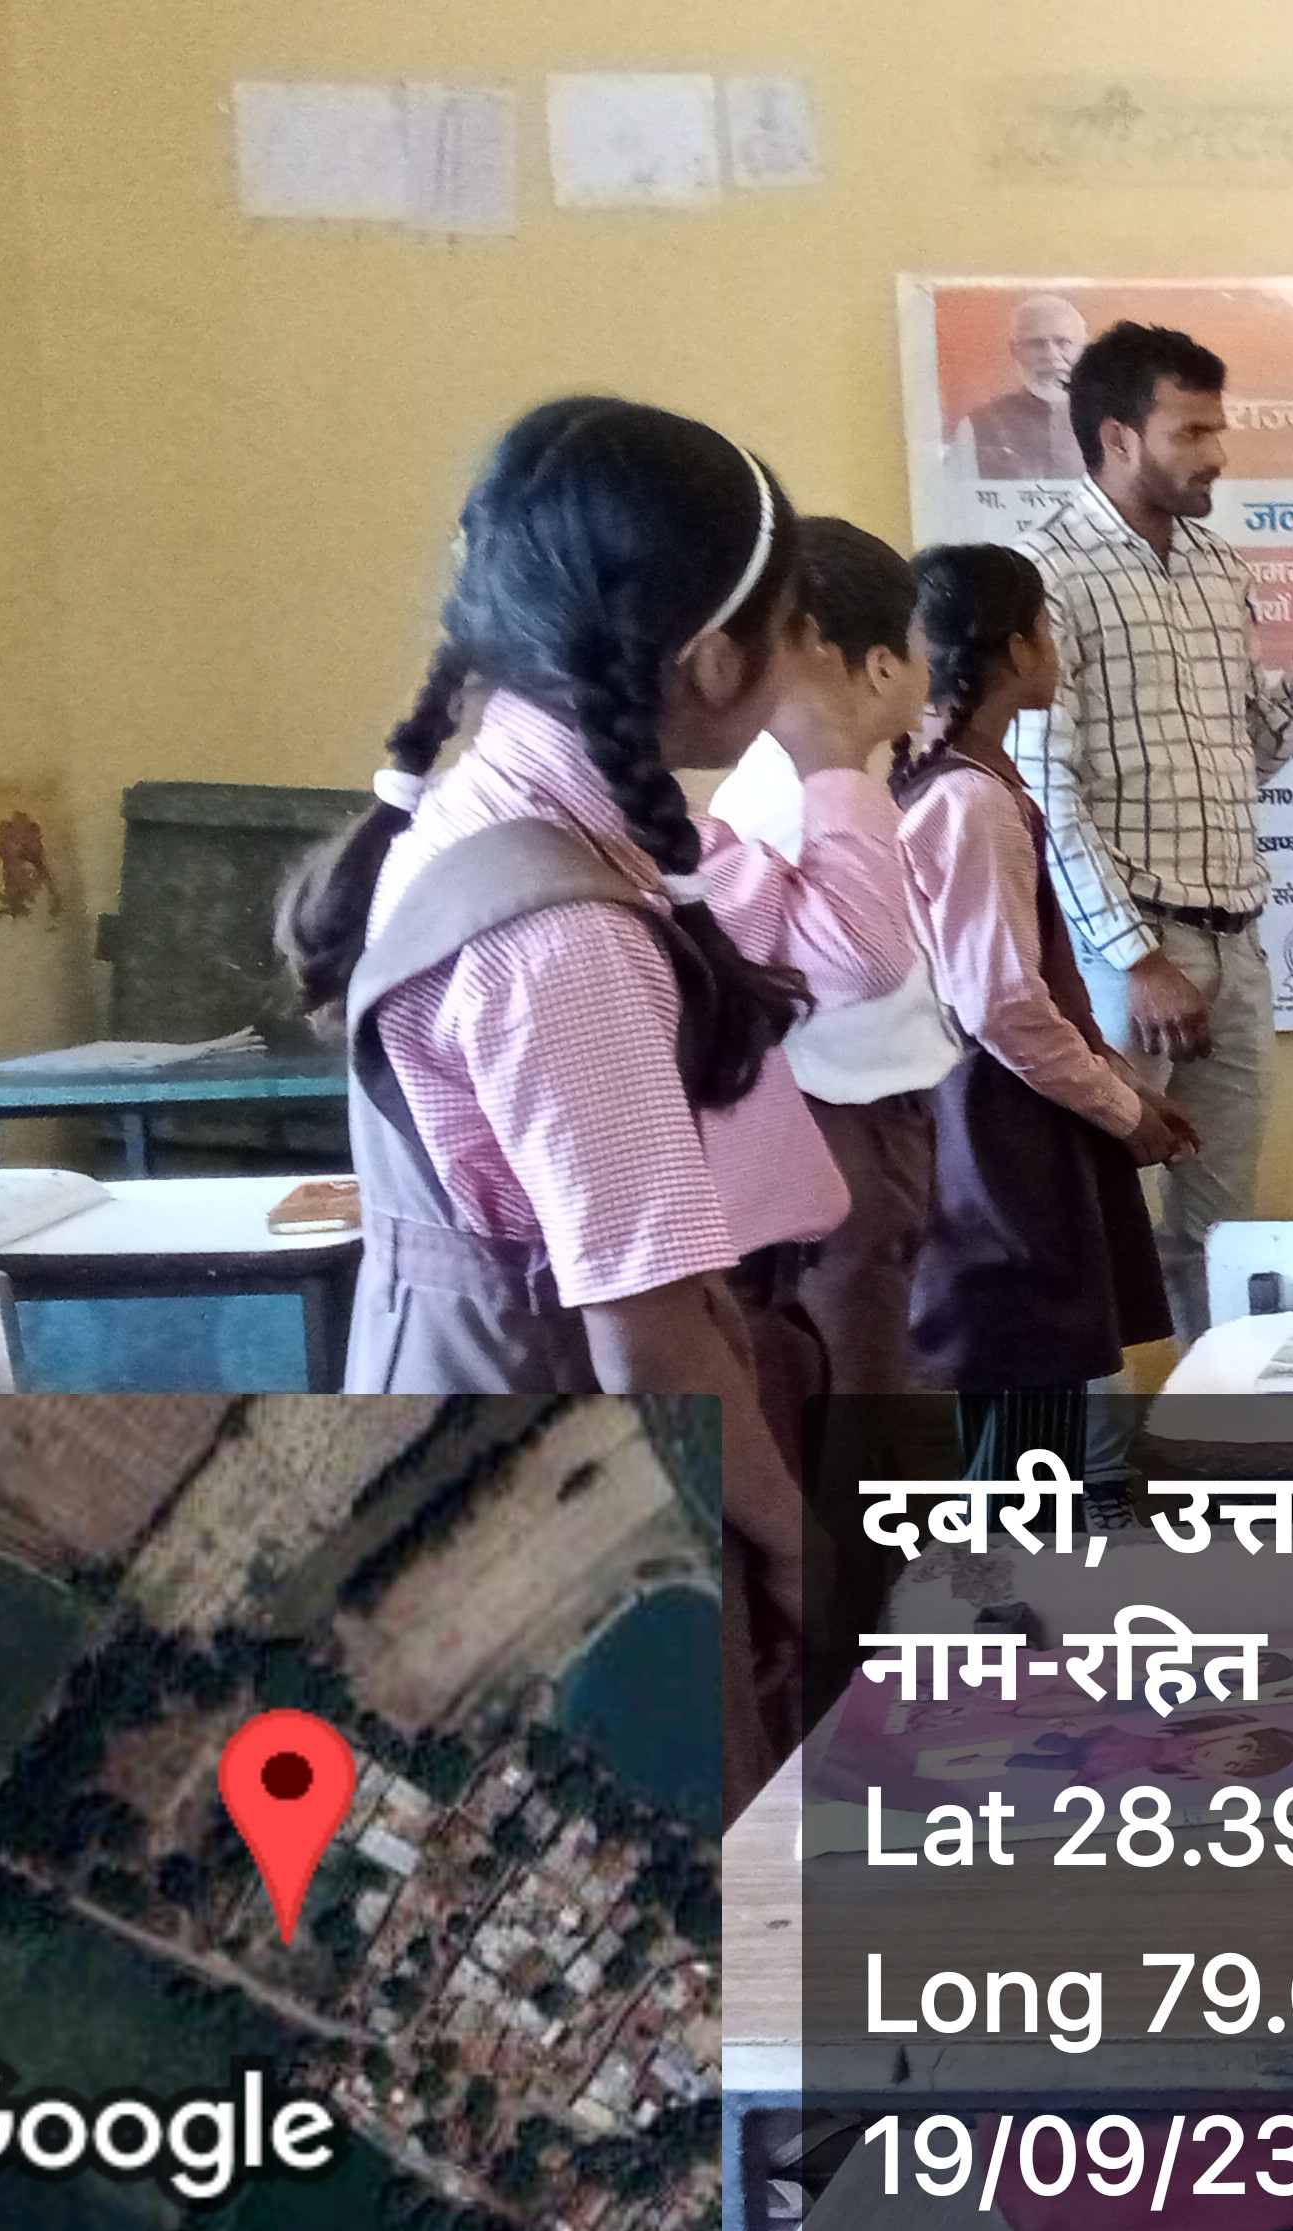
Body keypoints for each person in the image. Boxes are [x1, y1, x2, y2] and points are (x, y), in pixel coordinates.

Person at [277, 396, 911, 1819]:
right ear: (715, 661)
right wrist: (804, 1556)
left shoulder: (556, 807)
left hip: (607, 1380)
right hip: (603, 1402)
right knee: (722, 1803)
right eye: (793, 628)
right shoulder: (561, 930)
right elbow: (645, 1319)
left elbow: (841, 954)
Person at [1020, 321, 1293, 1354]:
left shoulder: (1216, 568)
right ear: (1117, 437)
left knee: (1224, 1234)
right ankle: (1095, 1450)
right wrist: (1136, 959)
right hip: (1127, 954)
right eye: (1191, 432)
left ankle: (1219, 1428)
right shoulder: (1045, 573)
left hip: (1236, 944)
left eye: (1217, 429)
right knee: (1095, 1221)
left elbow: (1247, 757)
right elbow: (1045, 789)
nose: (1218, 454)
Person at [897, 544, 1184, 1403]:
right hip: (998, 1129)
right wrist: (1120, 1110)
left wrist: (1117, 1074)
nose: (1058, 649)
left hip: (997, 1110)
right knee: (1025, 1387)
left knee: (1023, 1386)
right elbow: (1003, 1004)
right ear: (1018, 649)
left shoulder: (943, 776)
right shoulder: (973, 799)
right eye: (1048, 629)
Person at [711, 518, 957, 1403]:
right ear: (881, 665)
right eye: (922, 647)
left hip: (869, 1117)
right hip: (832, 1124)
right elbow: (857, 964)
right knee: (854, 1401)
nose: (931, 671)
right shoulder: (791, 799)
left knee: (875, 1383)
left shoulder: (841, 789)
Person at [954, 292, 1090, 481]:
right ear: (1014, 350)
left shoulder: (1110, 422)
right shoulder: (978, 427)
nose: (1051, 355)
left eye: (1063, 342)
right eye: (1036, 344)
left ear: (1084, 349)